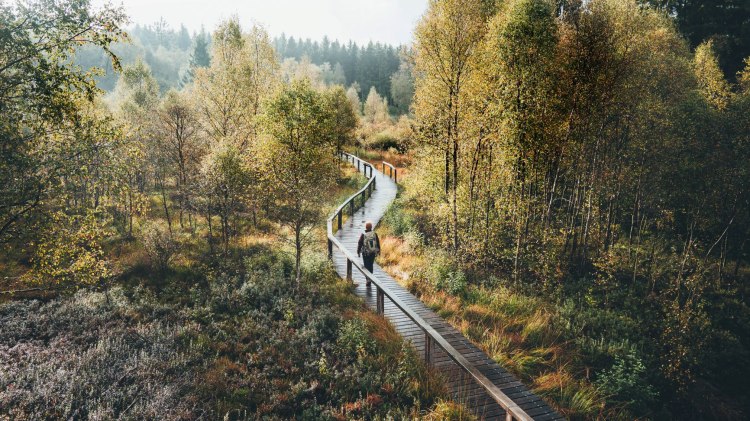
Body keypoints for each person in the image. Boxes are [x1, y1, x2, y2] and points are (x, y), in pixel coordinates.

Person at [357, 221, 380, 285]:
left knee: (366, 266)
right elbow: (377, 243)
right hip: (372, 252)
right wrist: (378, 251)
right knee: (370, 265)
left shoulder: (363, 235)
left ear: (366, 227)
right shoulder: (374, 234)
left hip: (365, 253)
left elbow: (360, 243)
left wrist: (358, 252)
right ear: (371, 227)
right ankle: (370, 278)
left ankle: (368, 280)